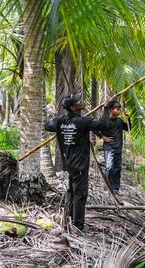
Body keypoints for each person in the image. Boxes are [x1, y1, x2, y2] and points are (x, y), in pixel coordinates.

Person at [45, 94, 109, 231]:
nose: (81, 102)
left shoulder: (60, 121)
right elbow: (103, 125)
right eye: (78, 102)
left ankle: (70, 217)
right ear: (73, 107)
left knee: (72, 192)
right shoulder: (84, 121)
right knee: (80, 194)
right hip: (80, 165)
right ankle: (78, 225)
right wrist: (106, 109)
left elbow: (47, 126)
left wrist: (60, 123)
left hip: (69, 164)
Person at [97, 101, 131, 195]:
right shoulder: (105, 120)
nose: (119, 111)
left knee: (117, 169)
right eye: (117, 109)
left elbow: (128, 128)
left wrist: (128, 118)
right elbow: (95, 128)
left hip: (118, 149)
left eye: (120, 109)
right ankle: (108, 187)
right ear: (111, 110)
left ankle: (116, 188)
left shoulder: (119, 121)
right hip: (108, 149)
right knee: (109, 168)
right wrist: (103, 137)